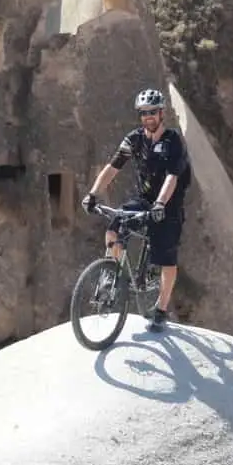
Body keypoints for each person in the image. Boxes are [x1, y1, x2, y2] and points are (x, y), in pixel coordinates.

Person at [81, 87, 192, 332]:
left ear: (162, 113)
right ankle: (111, 273)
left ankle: (161, 309)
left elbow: (172, 177)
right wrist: (93, 194)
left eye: (153, 112)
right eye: (143, 113)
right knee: (114, 227)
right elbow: (112, 167)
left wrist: (161, 204)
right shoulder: (134, 139)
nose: (148, 117)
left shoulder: (173, 141)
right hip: (144, 199)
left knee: (166, 258)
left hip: (168, 203)